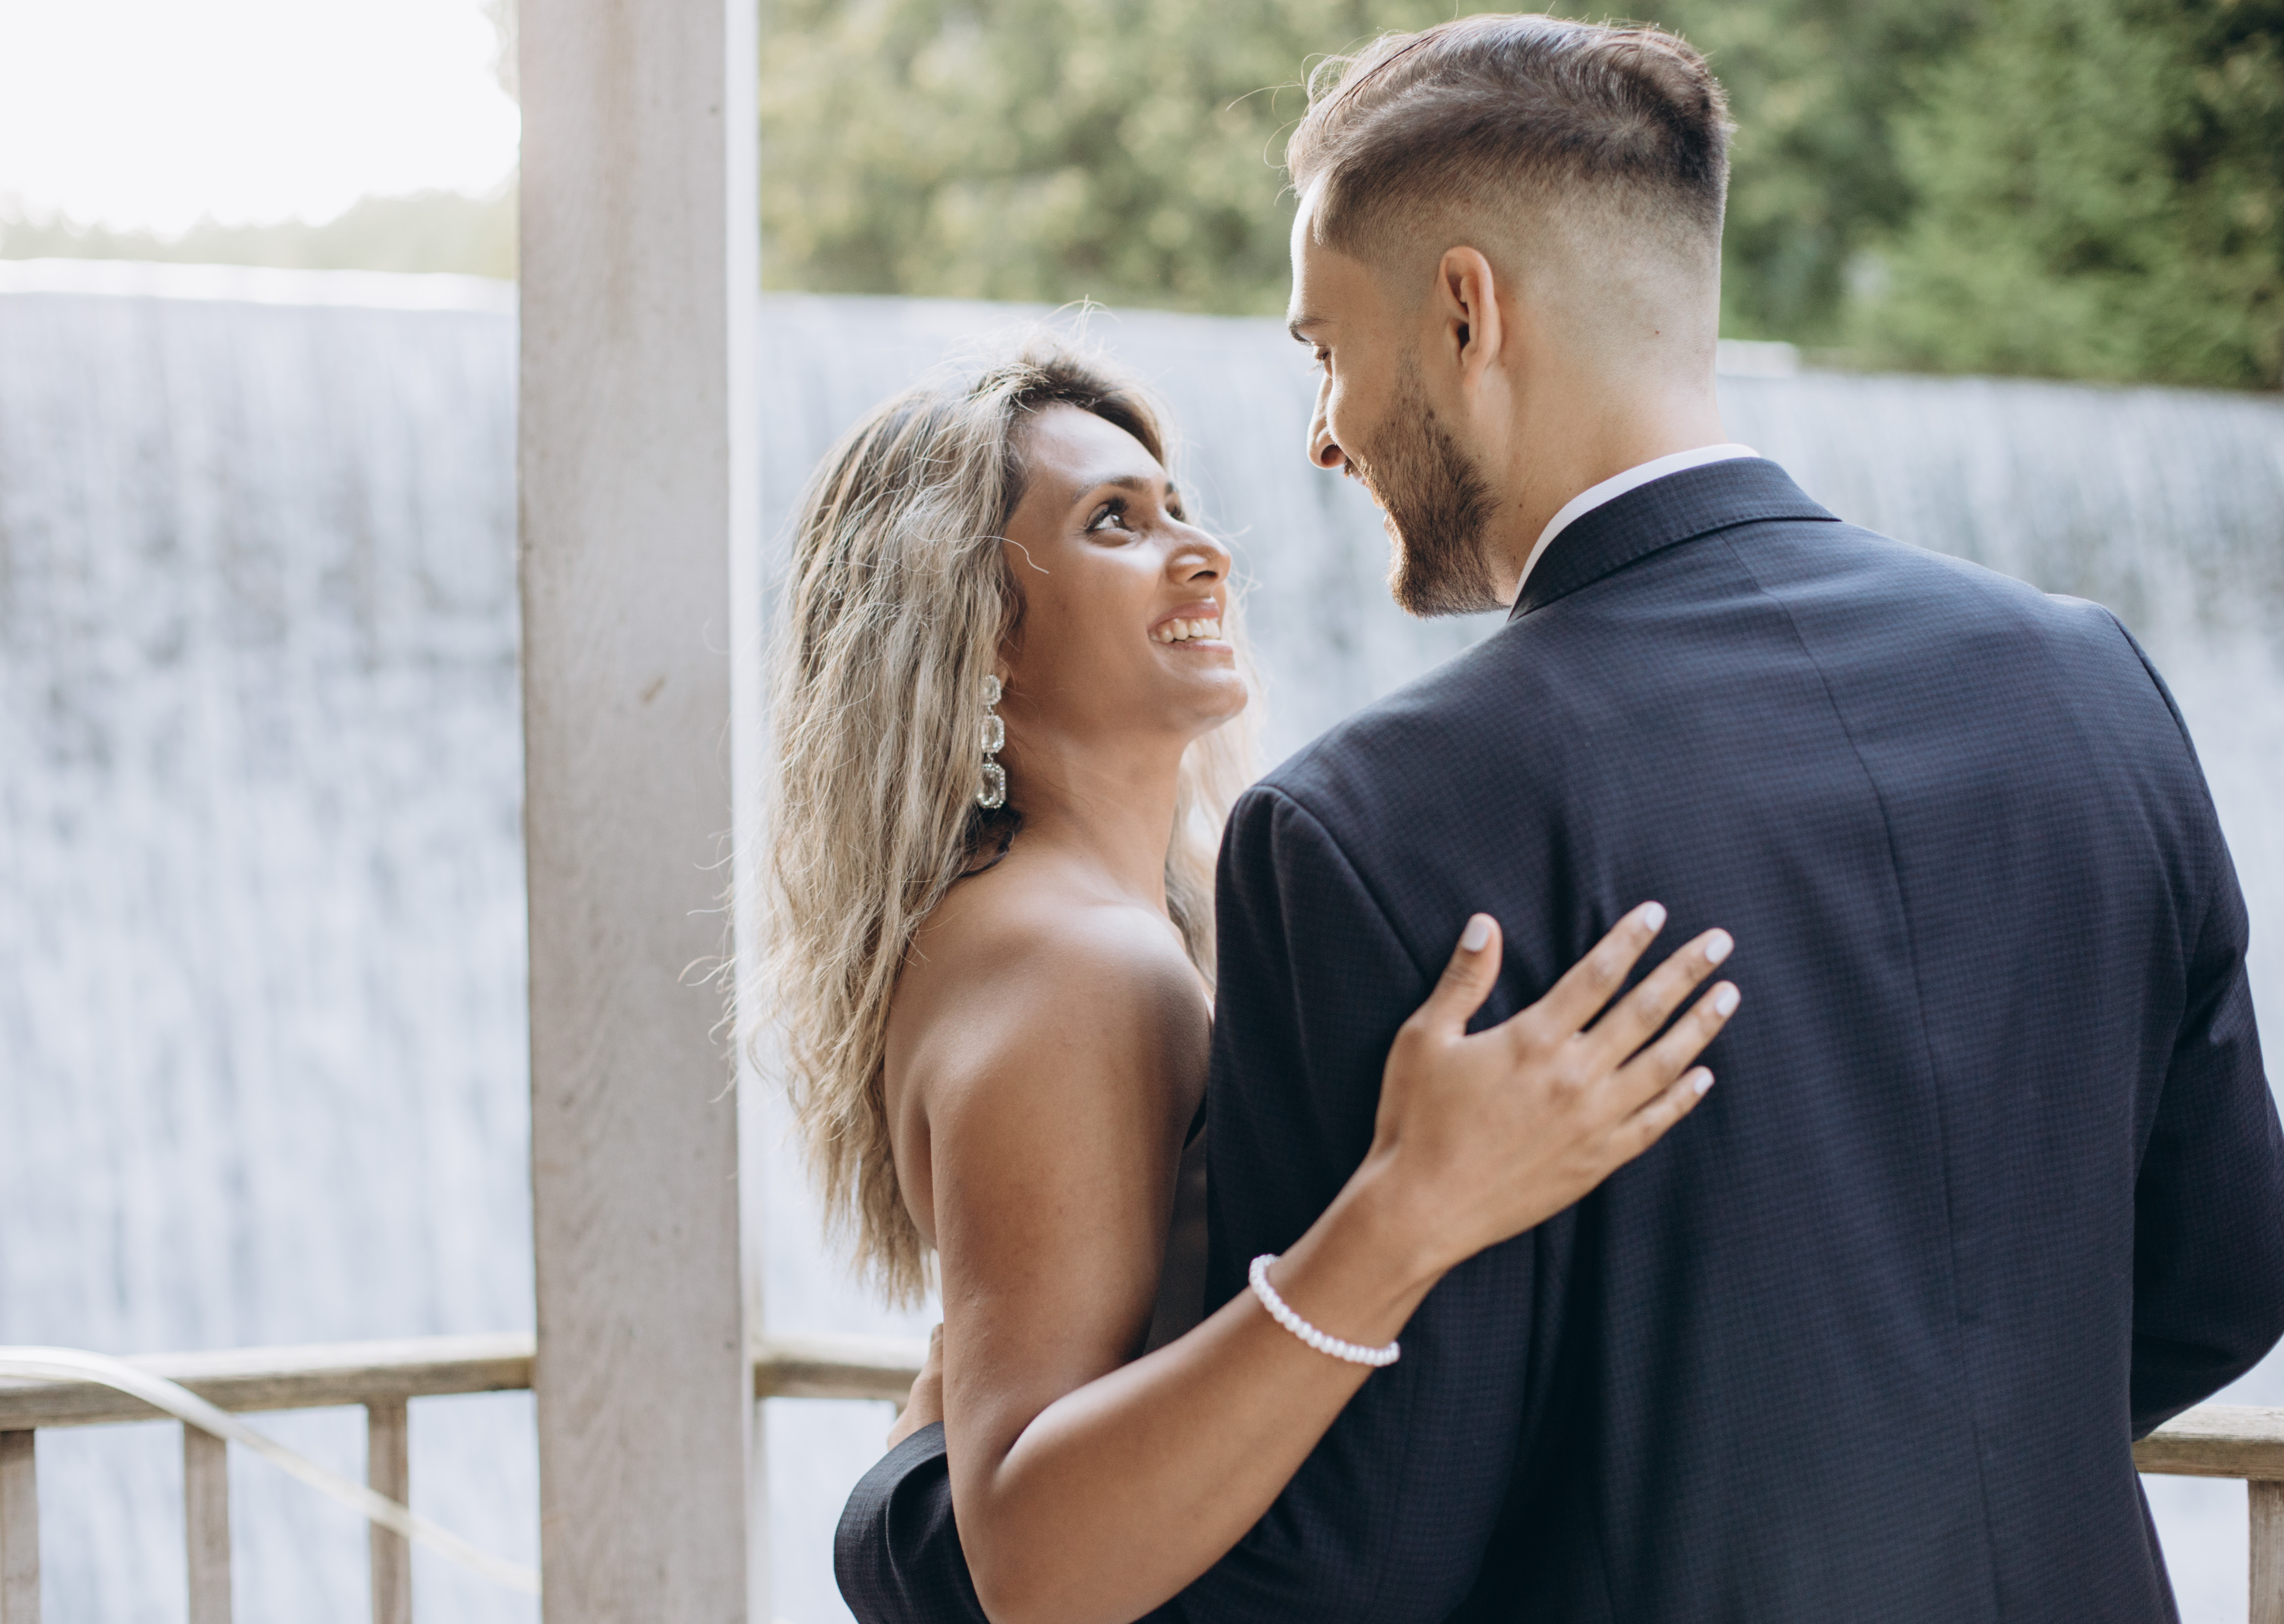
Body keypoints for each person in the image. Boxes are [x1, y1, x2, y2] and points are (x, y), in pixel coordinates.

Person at [828, 13, 2284, 1624]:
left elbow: (1335, 1554)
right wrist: (1921, 1468)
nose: (1320, 434)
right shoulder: (2088, 682)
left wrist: (906, 1521)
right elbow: (2224, 1278)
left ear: (1467, 314)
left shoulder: (1368, 832)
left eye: (1325, 350)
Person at [759, 336, 1743, 1624]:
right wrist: (1416, 1206)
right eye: (1114, 522)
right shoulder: (1076, 963)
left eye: (1179, 506)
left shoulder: (1045, 919)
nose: (1204, 553)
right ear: (982, 631)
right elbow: (1036, 1565)